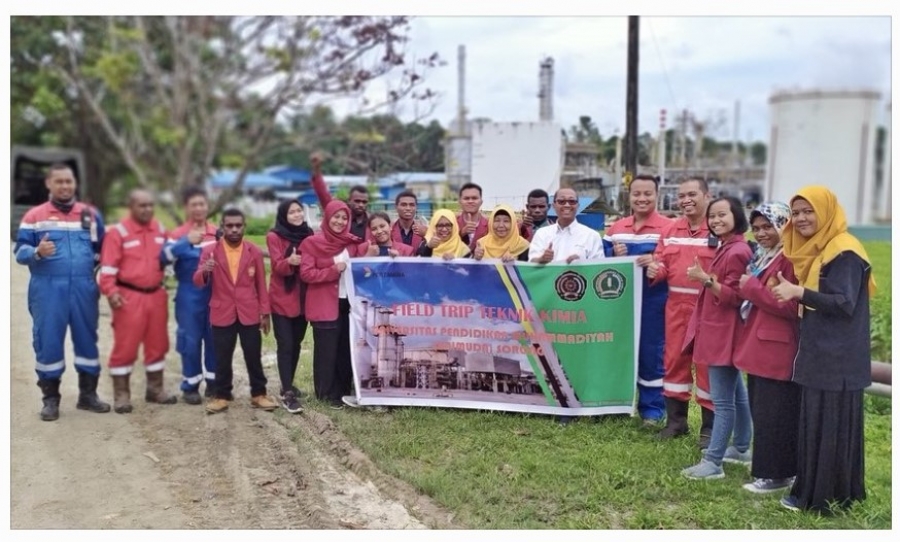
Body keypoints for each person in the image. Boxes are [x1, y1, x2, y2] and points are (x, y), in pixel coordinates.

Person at [772, 186, 876, 513]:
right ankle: (835, 492)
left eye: (808, 211)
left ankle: (820, 499)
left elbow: (844, 304)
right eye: (797, 212)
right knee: (821, 425)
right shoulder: (825, 249)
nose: (801, 219)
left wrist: (798, 292)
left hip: (836, 358)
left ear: (827, 211)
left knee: (828, 426)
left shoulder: (844, 251)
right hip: (824, 352)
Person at [14, 163, 110, 421]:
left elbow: (105, 248)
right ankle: (50, 400)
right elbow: (19, 252)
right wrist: (36, 252)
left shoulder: (90, 215)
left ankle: (88, 396)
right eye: (59, 182)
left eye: (69, 181)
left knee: (87, 340)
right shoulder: (35, 216)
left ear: (75, 183)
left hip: (83, 287)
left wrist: (99, 274)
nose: (65, 186)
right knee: (48, 341)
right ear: (49, 184)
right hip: (47, 289)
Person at [679, 196, 753, 480]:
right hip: (723, 330)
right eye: (713, 216)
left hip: (725, 332)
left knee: (723, 401)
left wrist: (705, 279)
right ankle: (743, 447)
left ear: (736, 216)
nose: (716, 220)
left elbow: (735, 296)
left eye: (723, 215)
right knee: (737, 393)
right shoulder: (732, 247)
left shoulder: (736, 251)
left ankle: (714, 462)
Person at [733, 201, 800, 493]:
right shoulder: (765, 257)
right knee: (763, 411)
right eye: (757, 228)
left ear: (784, 225)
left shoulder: (791, 259)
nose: (761, 233)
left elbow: (791, 306)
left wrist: (751, 288)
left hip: (777, 346)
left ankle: (776, 474)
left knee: (775, 414)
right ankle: (773, 468)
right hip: (760, 344)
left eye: (768, 227)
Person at [646, 177, 717, 447]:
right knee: (674, 361)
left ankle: (710, 429)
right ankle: (676, 422)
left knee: (708, 366)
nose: (686, 200)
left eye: (692, 194)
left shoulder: (718, 228)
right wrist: (656, 270)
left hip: (709, 309)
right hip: (676, 306)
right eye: (681, 195)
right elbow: (662, 262)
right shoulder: (672, 229)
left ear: (707, 195)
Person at [602, 175, 673, 425]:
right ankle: (615, 403)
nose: (642, 199)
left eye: (647, 194)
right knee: (615, 352)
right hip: (617, 306)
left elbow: (675, 263)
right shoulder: (616, 228)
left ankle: (652, 409)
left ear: (657, 194)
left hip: (653, 303)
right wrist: (612, 253)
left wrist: (656, 262)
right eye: (636, 194)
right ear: (628, 196)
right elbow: (598, 263)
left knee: (650, 354)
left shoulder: (669, 228)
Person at [194, 208, 278, 414]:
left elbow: (260, 284)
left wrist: (264, 313)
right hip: (222, 312)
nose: (233, 230)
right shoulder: (210, 251)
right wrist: (206, 270)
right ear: (222, 227)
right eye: (229, 226)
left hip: (249, 312)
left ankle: (259, 394)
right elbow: (196, 280)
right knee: (222, 357)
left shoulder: (253, 251)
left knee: (253, 355)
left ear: (244, 227)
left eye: (237, 226)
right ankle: (221, 396)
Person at [99, 189, 176, 413]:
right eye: (142, 205)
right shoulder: (118, 233)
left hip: (156, 295)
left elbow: (177, 251)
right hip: (128, 297)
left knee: (158, 344)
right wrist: (111, 291)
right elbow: (107, 269)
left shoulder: (161, 230)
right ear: (131, 207)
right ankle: (122, 394)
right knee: (126, 345)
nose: (148, 209)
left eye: (151, 205)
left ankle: (155, 389)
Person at [300, 200, 369, 409]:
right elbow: (306, 273)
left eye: (344, 218)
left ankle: (343, 390)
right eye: (336, 217)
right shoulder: (312, 243)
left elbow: (367, 261)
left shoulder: (352, 243)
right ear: (327, 218)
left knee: (345, 349)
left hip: (348, 305)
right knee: (326, 351)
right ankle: (325, 393)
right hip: (324, 304)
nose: (340, 221)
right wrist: (332, 270)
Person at [160, 186, 219, 405]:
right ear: (186, 207)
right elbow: (162, 257)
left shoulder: (215, 232)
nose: (198, 208)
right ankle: (190, 385)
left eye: (202, 204)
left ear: (208, 206)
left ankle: (214, 383)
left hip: (215, 294)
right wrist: (186, 242)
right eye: (193, 204)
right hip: (188, 294)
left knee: (214, 339)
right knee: (190, 341)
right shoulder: (177, 235)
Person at [266, 200, 315, 414]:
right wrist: (290, 262)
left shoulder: (309, 234)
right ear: (283, 216)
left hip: (303, 298)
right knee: (285, 344)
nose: (296, 215)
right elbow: (277, 266)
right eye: (291, 212)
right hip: (281, 298)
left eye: (298, 211)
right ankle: (287, 393)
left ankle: (288, 383)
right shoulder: (274, 236)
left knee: (295, 343)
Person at [528, 187, 604, 264]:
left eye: (572, 201)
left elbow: (598, 268)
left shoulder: (592, 236)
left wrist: (582, 264)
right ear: (554, 206)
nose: (567, 205)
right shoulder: (542, 234)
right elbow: (530, 264)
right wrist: (542, 259)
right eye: (561, 201)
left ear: (578, 205)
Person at [309, 153, 373, 241]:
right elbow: (323, 195)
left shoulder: (372, 222)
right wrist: (317, 169)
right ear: (349, 200)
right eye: (357, 201)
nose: (361, 204)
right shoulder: (340, 216)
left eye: (364, 202)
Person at [456, 182, 489, 248]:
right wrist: (461, 233)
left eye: (474, 198)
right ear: (460, 202)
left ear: (481, 202)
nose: (470, 201)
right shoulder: (452, 222)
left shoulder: (489, 224)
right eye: (466, 198)